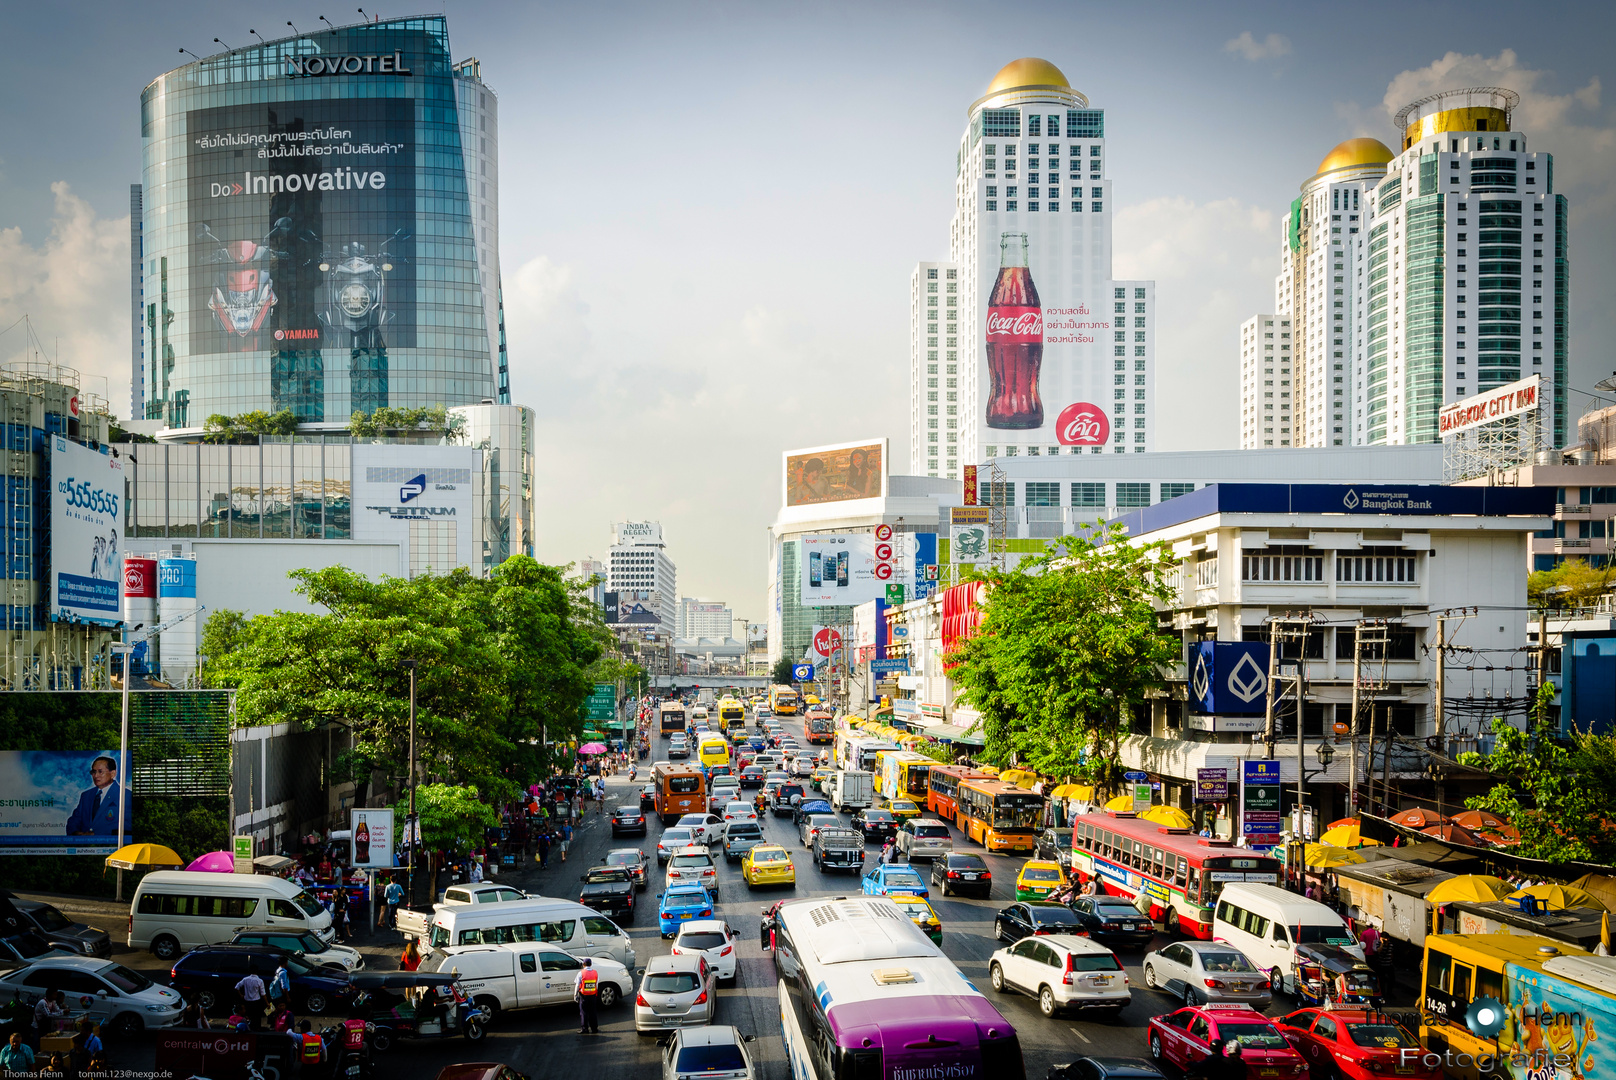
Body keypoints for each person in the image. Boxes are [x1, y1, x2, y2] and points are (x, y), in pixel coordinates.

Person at [65, 754, 131, 836]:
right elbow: (74, 821)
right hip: (84, 846)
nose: (96, 776)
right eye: (93, 772)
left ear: (113, 774)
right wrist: (76, 833)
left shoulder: (126, 795)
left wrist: (97, 834)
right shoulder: (86, 796)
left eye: (100, 772)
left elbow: (128, 825)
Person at [574, 957, 601, 1034]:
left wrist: (575, 995)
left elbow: (577, 985)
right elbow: (597, 984)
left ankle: (585, 1029)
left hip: (584, 996)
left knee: (584, 1012)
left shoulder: (581, 973)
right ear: (591, 964)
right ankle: (594, 1028)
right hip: (593, 995)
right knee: (593, 1012)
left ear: (583, 964)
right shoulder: (595, 972)